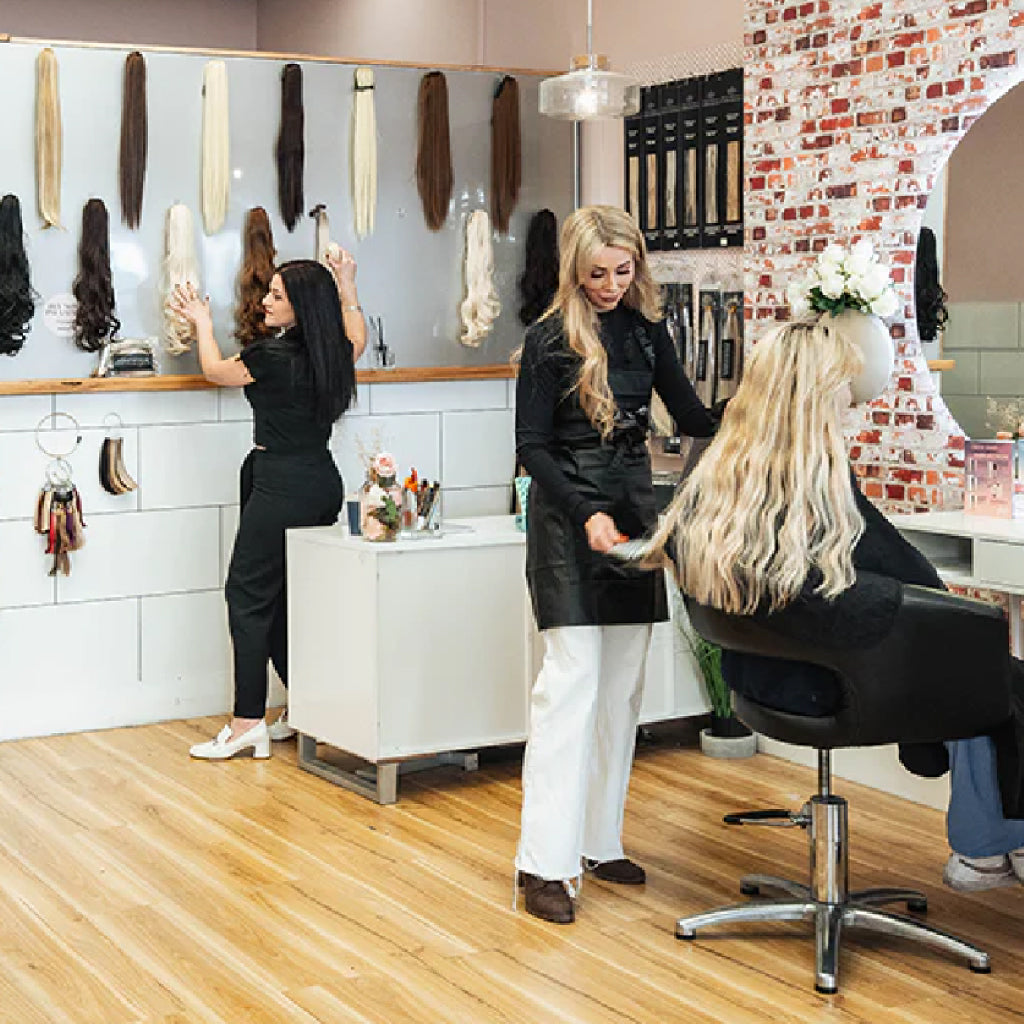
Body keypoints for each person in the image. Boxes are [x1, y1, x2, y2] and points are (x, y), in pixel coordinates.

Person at [652, 316, 1024, 892]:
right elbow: (917, 576)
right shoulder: (818, 483)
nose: (847, 410)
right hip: (826, 684)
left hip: (757, 680)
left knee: (978, 664)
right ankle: (986, 848)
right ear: (815, 397)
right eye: (842, 396)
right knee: (988, 669)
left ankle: (991, 845)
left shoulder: (714, 473)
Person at [513, 205, 720, 924]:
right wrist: (584, 513)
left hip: (633, 515)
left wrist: (765, 405)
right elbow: (532, 447)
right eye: (596, 273)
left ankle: (599, 841)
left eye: (622, 271)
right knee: (568, 688)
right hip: (569, 521)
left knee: (623, 690)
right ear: (574, 268)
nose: (609, 285)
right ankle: (543, 864)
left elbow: (692, 416)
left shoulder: (644, 330)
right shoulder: (545, 341)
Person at [173, 252, 366, 760]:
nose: (265, 301)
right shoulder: (335, 353)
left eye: (277, 296)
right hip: (320, 480)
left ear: (302, 307)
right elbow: (357, 334)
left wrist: (201, 322)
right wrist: (347, 285)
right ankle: (307, 706)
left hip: (280, 481)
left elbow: (216, 371)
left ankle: (246, 722)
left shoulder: (271, 358)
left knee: (247, 594)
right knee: (282, 597)